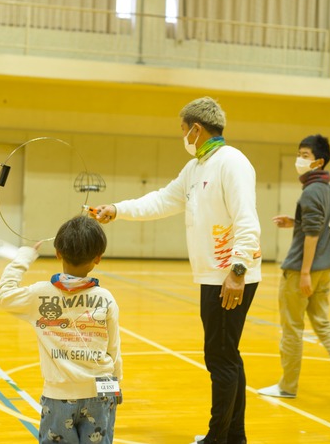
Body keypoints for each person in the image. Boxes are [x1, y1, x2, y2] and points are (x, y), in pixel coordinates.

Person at [93, 96, 261, 444]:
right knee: (227, 355)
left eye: (183, 130)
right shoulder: (197, 167)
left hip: (229, 277)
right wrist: (117, 209)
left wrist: (237, 271)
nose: (182, 136)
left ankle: (218, 438)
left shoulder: (233, 163)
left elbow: (248, 221)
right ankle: (234, 436)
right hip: (213, 277)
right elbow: (162, 200)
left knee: (220, 358)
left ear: (196, 129)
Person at [256, 134, 330, 405]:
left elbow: (314, 233)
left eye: (304, 155)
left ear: (318, 161)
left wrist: (304, 272)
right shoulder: (329, 190)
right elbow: (323, 223)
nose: (299, 159)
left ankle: (287, 386)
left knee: (291, 328)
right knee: (324, 325)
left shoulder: (312, 190)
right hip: (325, 270)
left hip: (301, 272)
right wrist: (296, 221)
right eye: (299, 153)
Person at [0, 215, 122, 444]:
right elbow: (114, 350)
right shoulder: (106, 298)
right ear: (98, 258)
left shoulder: (39, 294)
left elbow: (4, 295)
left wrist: (23, 257)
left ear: (58, 253)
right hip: (102, 393)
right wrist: (116, 385)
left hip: (58, 397)